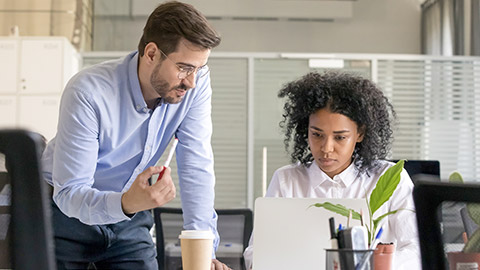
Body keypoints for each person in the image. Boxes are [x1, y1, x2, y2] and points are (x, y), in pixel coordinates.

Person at [41, 2, 231, 269]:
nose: (191, 82)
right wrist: (127, 202)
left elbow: (196, 164)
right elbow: (70, 192)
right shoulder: (89, 92)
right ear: (151, 53)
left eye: (199, 69)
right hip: (65, 216)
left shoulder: (193, 88)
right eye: (185, 68)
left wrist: (204, 248)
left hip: (129, 219)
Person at [243, 71, 421, 270]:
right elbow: (255, 253)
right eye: (317, 135)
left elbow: (418, 249)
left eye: (340, 137)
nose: (326, 148)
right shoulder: (288, 180)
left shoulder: (389, 178)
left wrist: (368, 265)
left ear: (359, 133)